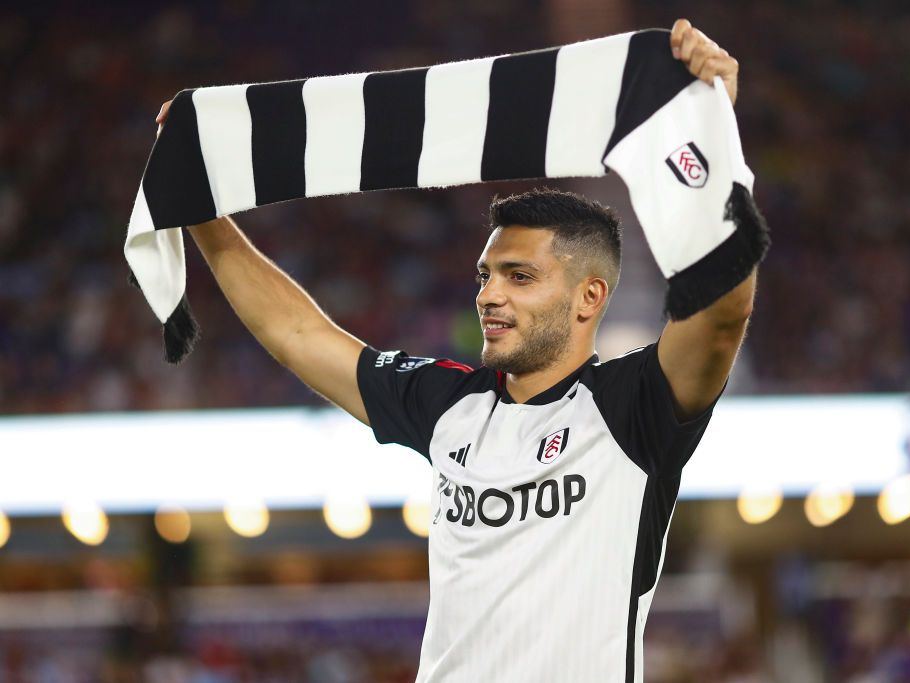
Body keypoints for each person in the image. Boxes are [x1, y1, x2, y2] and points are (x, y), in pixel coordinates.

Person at [156, 18, 753, 682]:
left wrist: (709, 146)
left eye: (519, 277)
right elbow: (297, 334)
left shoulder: (634, 407)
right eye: (485, 275)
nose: (490, 295)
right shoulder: (451, 404)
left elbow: (722, 315)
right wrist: (200, 207)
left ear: (589, 298)